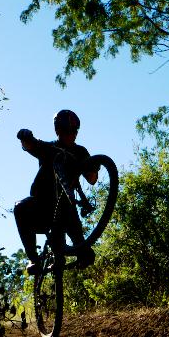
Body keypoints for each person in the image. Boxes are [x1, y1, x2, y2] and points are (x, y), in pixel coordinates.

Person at [14, 109, 99, 274]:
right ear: (57, 130)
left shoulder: (80, 152)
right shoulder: (48, 148)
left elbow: (92, 179)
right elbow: (31, 145)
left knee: (87, 255)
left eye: (75, 131)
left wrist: (94, 167)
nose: (72, 134)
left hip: (67, 209)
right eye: (67, 130)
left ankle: (67, 256)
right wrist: (25, 137)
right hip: (41, 205)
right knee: (19, 207)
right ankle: (34, 259)